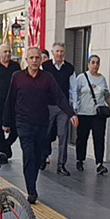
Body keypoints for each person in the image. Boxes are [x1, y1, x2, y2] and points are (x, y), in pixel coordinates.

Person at [4, 45, 78, 204]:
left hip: (41, 123)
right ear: (26, 60)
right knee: (29, 155)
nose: (34, 61)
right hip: (23, 123)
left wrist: (71, 113)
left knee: (38, 157)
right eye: (31, 58)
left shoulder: (47, 78)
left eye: (37, 58)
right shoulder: (17, 77)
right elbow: (10, 100)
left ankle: (33, 182)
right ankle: (31, 190)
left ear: (41, 60)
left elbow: (59, 97)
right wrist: (6, 123)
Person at [71, 53, 110, 174]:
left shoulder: (102, 79)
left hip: (98, 114)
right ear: (88, 64)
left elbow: (107, 95)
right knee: (82, 138)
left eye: (97, 63)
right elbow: (74, 94)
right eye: (93, 62)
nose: (95, 65)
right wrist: (73, 110)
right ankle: (80, 160)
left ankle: (99, 164)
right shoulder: (81, 78)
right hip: (83, 113)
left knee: (99, 138)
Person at [42, 42, 76, 176]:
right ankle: (42, 158)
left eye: (61, 51)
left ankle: (61, 164)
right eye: (57, 51)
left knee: (63, 136)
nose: (59, 54)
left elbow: (73, 89)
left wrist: (73, 109)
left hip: (63, 107)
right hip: (48, 106)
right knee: (45, 134)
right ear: (52, 52)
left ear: (64, 53)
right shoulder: (45, 67)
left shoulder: (69, 68)